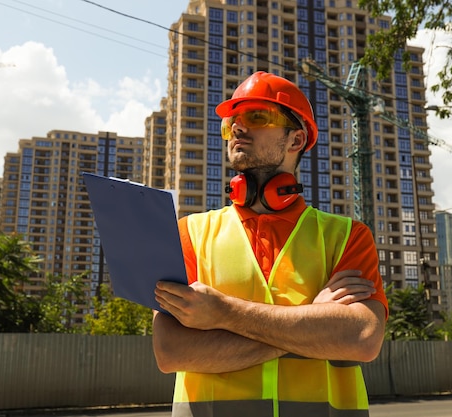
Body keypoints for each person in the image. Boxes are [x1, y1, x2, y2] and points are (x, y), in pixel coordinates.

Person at [152, 71, 388, 417]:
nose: (237, 128)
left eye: (257, 117)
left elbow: (362, 338)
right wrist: (314, 322)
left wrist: (222, 314)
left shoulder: (347, 237)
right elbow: (171, 352)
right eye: (232, 122)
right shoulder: (189, 233)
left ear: (296, 140)